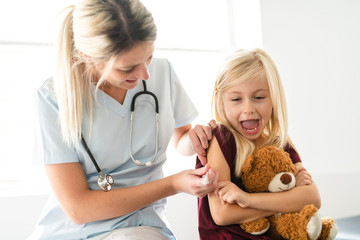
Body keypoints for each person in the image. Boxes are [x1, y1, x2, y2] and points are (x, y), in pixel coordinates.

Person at [28, 0, 218, 239]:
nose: (145, 74)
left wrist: (195, 139)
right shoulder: (52, 97)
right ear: (88, 56)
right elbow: (79, 208)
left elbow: (180, 137)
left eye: (149, 57)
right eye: (128, 68)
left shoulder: (163, 72)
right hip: (74, 230)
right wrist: (173, 184)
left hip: (141, 224)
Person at [196, 48, 321, 239]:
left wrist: (246, 199)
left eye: (259, 97)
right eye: (236, 99)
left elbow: (312, 198)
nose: (248, 109)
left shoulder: (280, 142)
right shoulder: (220, 139)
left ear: (274, 97)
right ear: (220, 100)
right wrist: (287, 200)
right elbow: (222, 214)